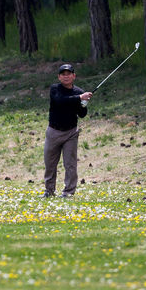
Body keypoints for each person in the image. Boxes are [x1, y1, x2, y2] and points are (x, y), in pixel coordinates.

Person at [42, 63, 92, 198]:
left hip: (71, 132)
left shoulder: (78, 92)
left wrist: (83, 104)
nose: (66, 76)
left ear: (74, 76)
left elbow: (82, 114)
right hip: (53, 131)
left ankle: (68, 192)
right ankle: (49, 191)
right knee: (50, 163)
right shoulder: (55, 89)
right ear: (59, 77)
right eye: (63, 74)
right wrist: (80, 98)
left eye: (68, 74)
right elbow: (60, 101)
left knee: (70, 164)